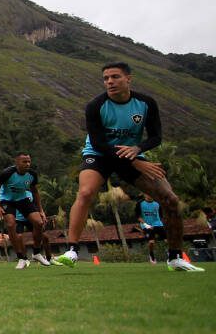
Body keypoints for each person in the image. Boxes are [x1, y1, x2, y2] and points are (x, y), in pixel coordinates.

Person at [54, 62, 204, 271]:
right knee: (86, 192)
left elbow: (156, 137)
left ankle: (175, 257)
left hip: (132, 154)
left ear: (128, 79)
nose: (110, 82)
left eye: (115, 77)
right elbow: (98, 143)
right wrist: (134, 161)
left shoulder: (146, 103)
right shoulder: (95, 106)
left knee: (170, 199)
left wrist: (138, 150)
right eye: (106, 78)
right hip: (100, 154)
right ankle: (71, 251)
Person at [0, 153, 50, 269]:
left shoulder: (32, 174)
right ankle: (21, 258)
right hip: (7, 200)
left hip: (22, 199)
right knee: (11, 224)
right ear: (17, 162)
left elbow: (35, 192)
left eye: (29, 161)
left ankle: (37, 253)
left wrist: (41, 210)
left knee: (39, 223)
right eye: (24, 162)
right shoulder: (7, 173)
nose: (27, 164)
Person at [15, 191, 59, 265]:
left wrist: (41, 215)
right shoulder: (12, 194)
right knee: (19, 237)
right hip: (18, 220)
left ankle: (49, 258)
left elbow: (35, 206)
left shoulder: (30, 193)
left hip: (30, 219)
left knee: (45, 238)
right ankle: (24, 259)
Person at [136, 194, 165, 264]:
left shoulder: (157, 203)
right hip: (146, 225)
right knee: (151, 242)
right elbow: (138, 217)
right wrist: (146, 225)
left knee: (168, 240)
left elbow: (161, 215)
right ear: (145, 195)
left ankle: (173, 257)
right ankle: (151, 255)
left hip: (158, 224)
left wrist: (162, 223)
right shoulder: (140, 203)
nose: (149, 195)